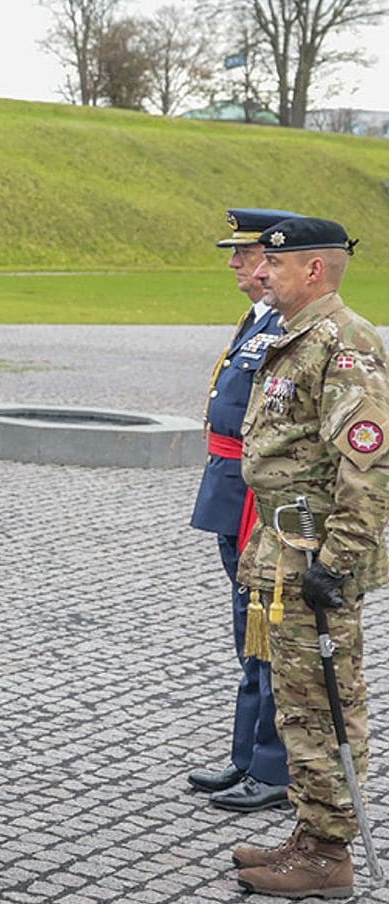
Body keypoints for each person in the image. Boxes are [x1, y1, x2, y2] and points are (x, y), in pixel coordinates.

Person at [232, 216, 389, 899]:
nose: (262, 273)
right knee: (296, 702)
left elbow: (369, 462)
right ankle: (311, 831)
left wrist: (339, 560)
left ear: (314, 270)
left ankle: (330, 857)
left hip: (315, 558)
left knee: (325, 702)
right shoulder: (298, 336)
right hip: (283, 549)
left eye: (277, 263)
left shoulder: (344, 343)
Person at [187, 209, 300, 815]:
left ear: (270, 261)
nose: (234, 262)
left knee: (268, 631)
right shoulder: (258, 319)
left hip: (262, 498)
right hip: (234, 490)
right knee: (246, 631)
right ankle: (246, 755)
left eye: (244, 253)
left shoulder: (288, 325)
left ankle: (272, 765)